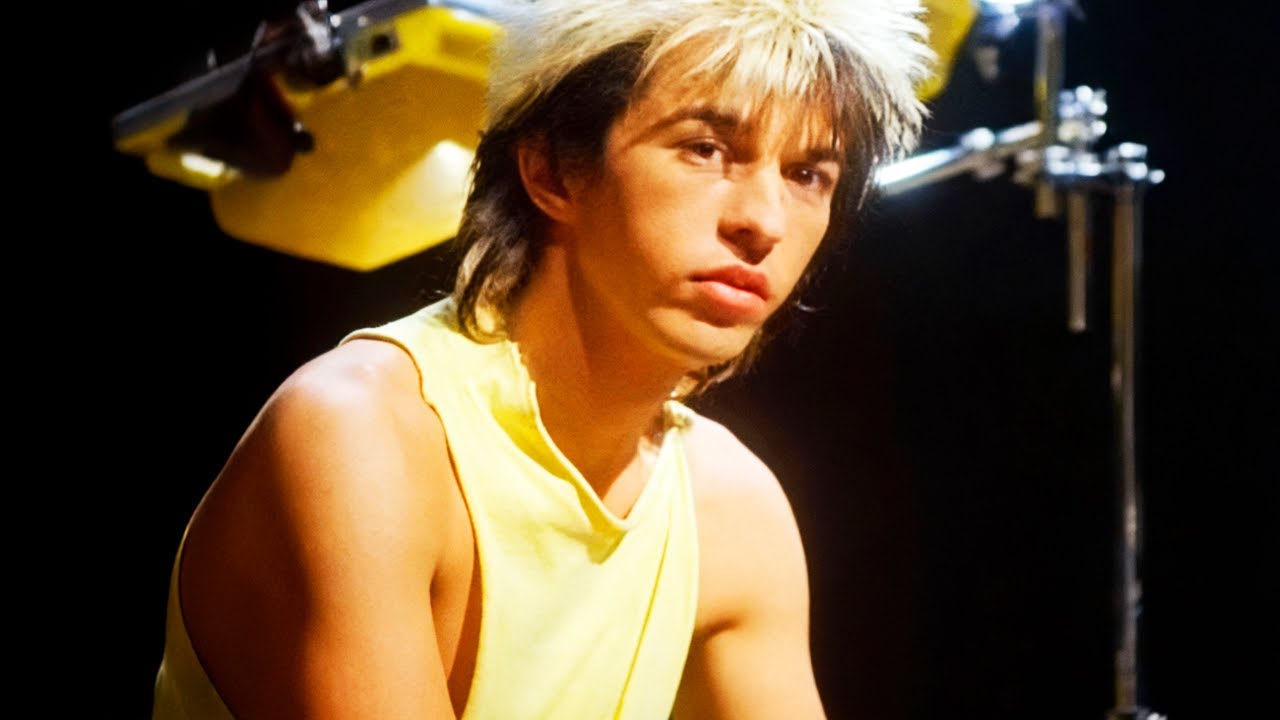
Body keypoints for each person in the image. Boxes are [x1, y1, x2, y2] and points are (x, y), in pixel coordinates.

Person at [150, 0, 933, 717]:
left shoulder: (730, 507)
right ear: (552, 169)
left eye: (807, 175)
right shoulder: (363, 434)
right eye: (705, 148)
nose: (764, 220)